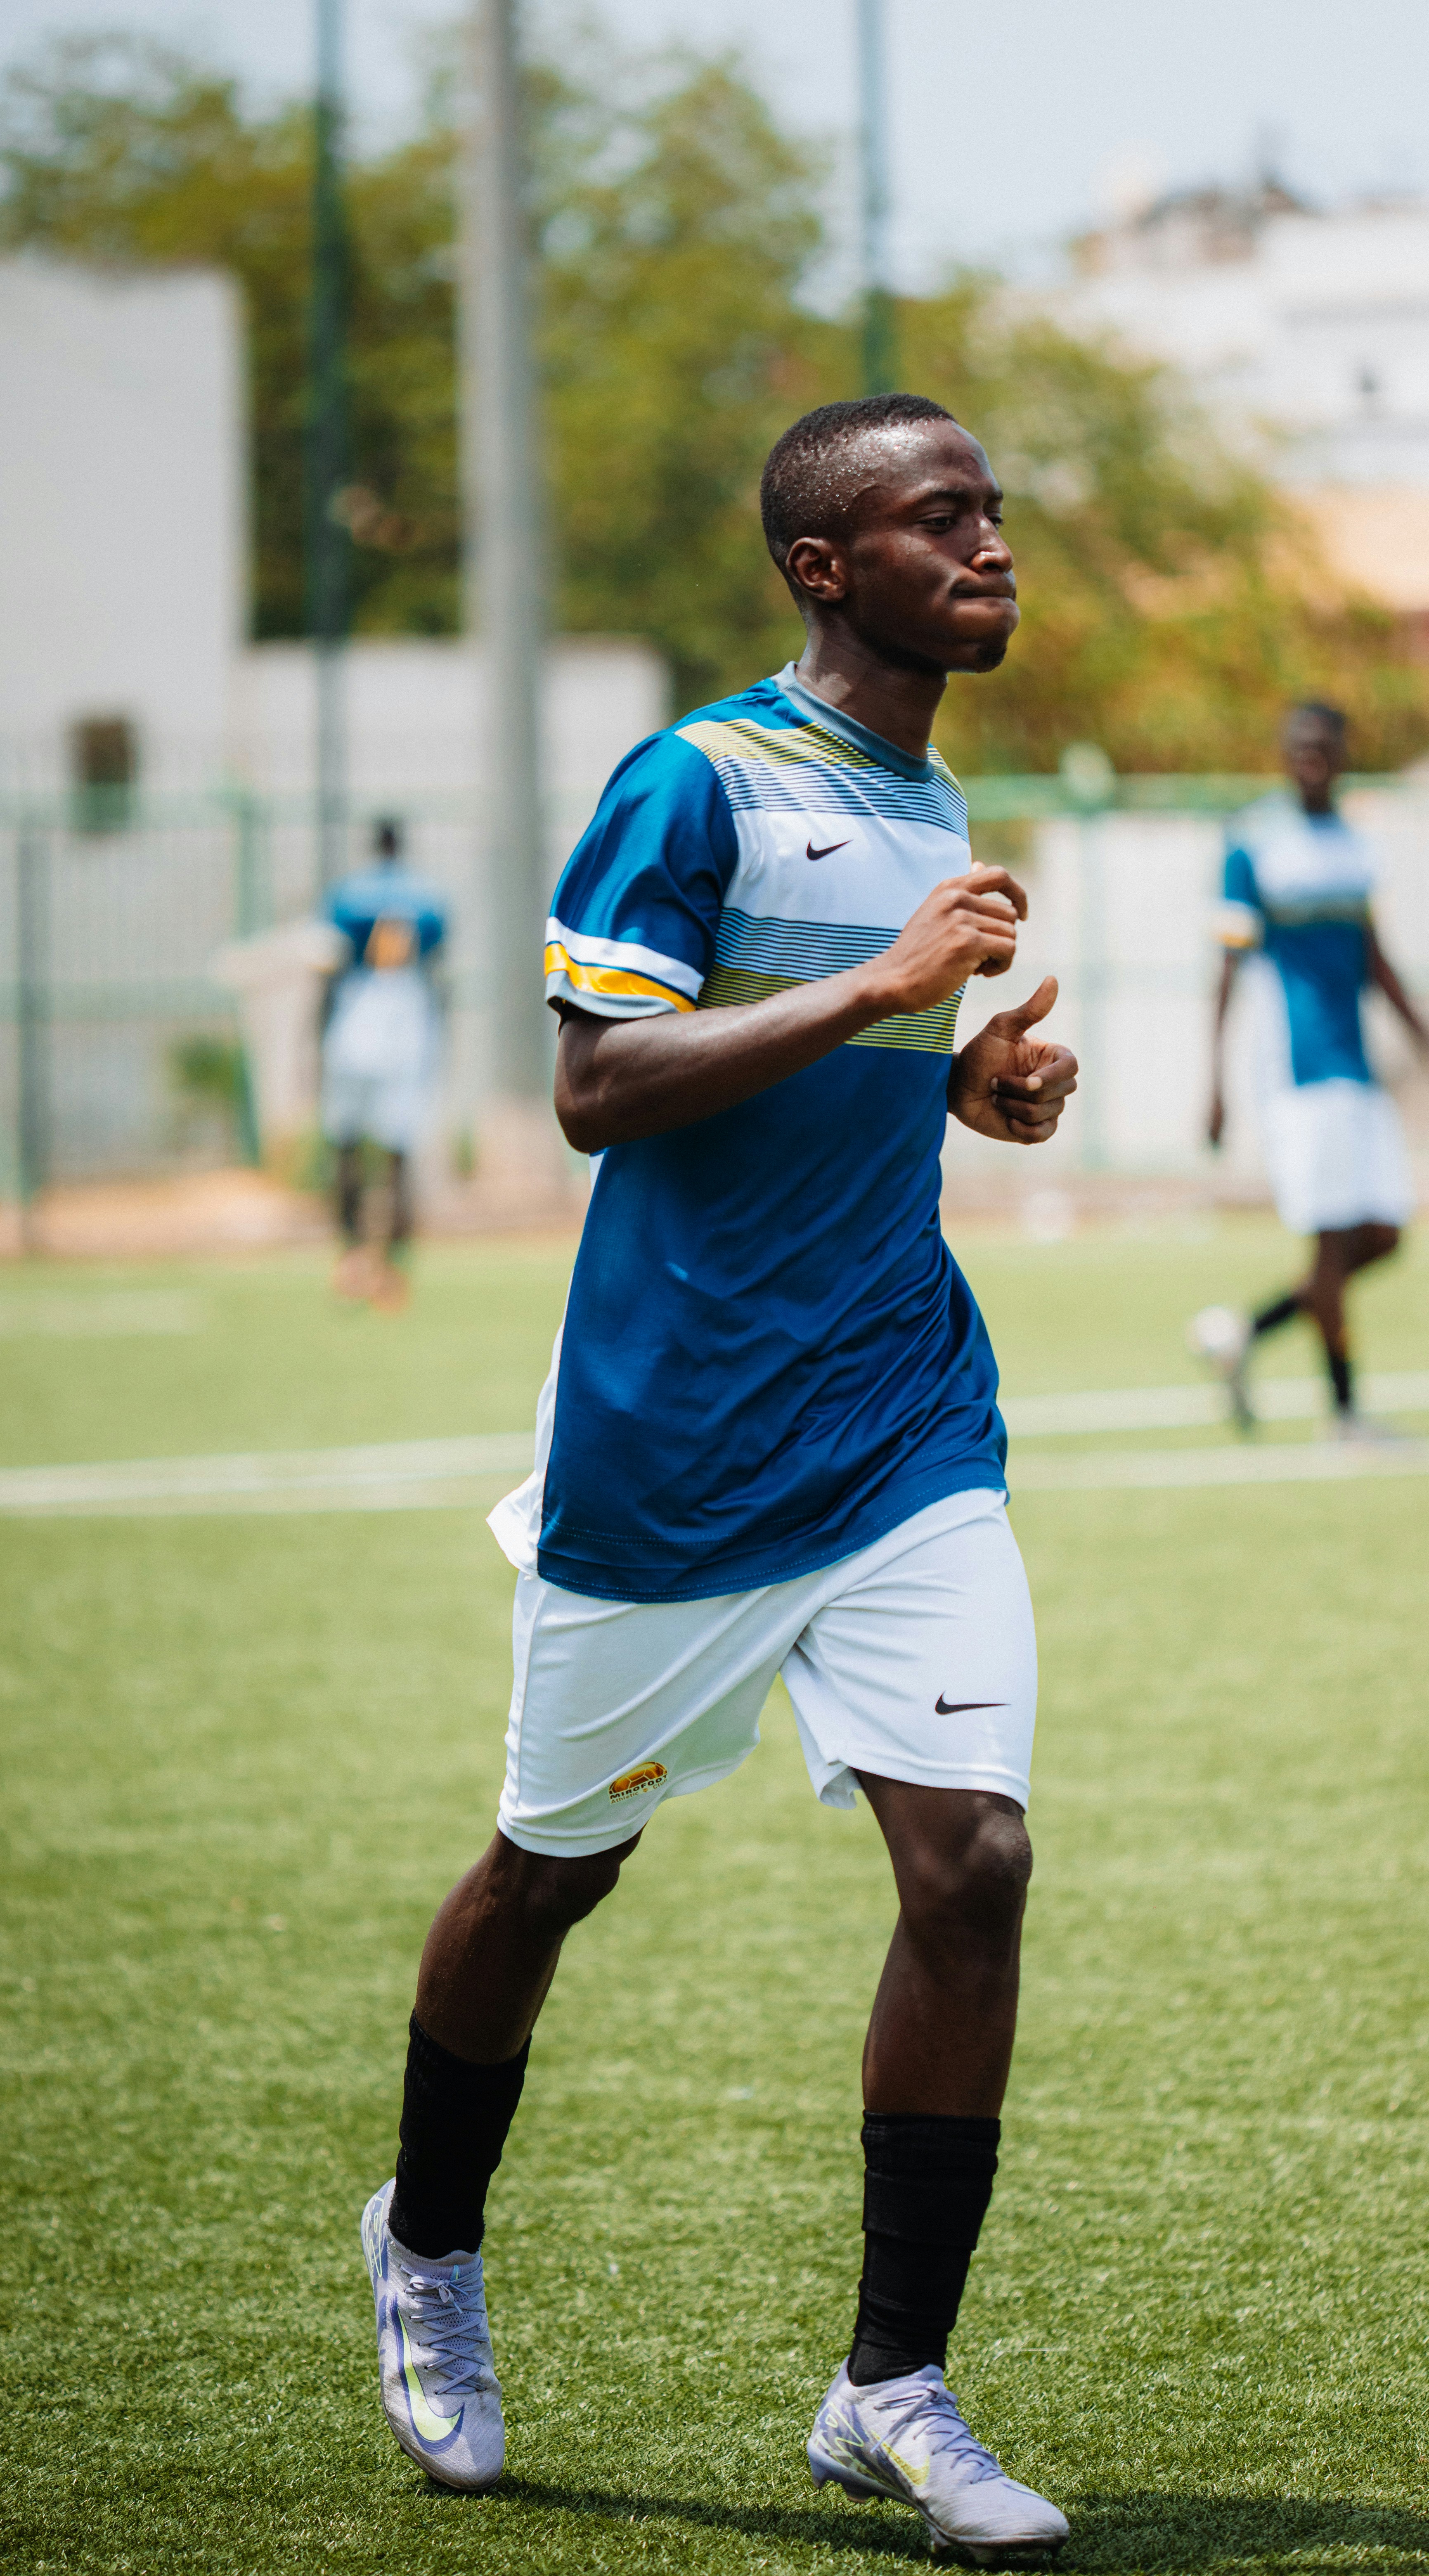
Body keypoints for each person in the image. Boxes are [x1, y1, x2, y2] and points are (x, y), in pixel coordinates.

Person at [359, 393, 1080, 2564]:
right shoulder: (692, 779)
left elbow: (822, 1071)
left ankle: (892, 2389)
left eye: (992, 509)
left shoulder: (924, 785)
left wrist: (960, 1083)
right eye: (938, 516)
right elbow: (597, 1086)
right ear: (821, 568)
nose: (990, 543)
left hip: (901, 1420)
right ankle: (429, 2241)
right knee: (546, 1880)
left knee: (974, 1866)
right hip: (673, 1450)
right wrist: (887, 982)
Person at [1191, 702, 1429, 1433]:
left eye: (1323, 745)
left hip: (1355, 1066)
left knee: (1380, 1236)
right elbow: (1227, 968)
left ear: (1342, 754)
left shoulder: (1355, 847)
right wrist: (1213, 1083)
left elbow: (1376, 961)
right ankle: (1345, 1417)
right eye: (1299, 744)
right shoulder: (1252, 842)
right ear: (1284, 753)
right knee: (1331, 1237)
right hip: (1295, 1069)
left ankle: (1244, 1334)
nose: (1310, 755)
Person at [319, 818, 448, 1310]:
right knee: (400, 1148)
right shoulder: (428, 897)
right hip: (408, 1014)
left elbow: (329, 964)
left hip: (358, 1010)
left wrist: (316, 1037)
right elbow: (438, 963)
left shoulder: (347, 895)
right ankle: (392, 1263)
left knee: (346, 1141)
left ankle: (351, 1253)